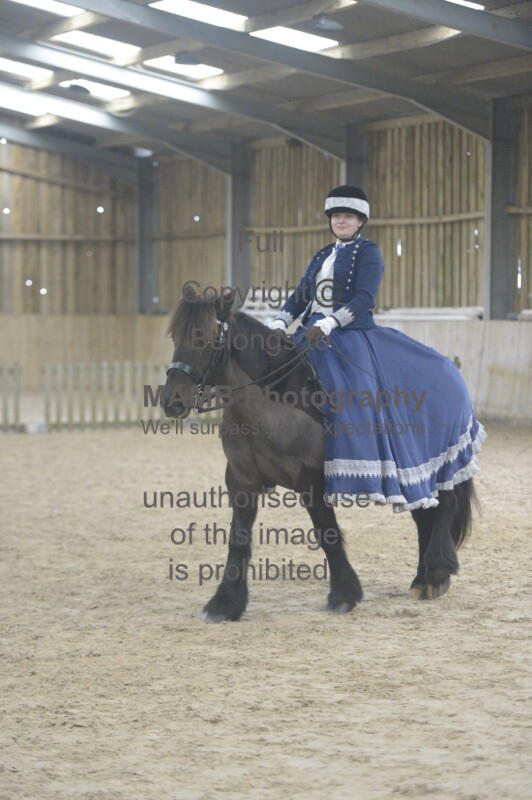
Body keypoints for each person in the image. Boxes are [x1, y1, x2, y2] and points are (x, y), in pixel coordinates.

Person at [268, 184, 486, 512]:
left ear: (360, 221)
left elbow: (365, 298)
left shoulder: (368, 252)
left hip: (348, 332)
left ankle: (353, 465)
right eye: (336, 216)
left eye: (348, 216)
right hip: (310, 333)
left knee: (348, 391)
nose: (341, 221)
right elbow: (301, 294)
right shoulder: (322, 255)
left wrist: (331, 322)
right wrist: (281, 321)